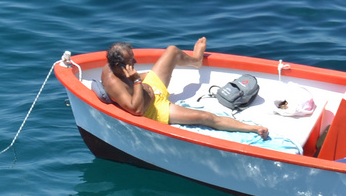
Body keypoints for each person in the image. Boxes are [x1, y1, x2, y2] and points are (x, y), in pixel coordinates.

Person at [101, 38, 270, 138]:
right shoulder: (113, 82)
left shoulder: (124, 71)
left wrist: (142, 79)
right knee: (206, 117)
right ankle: (252, 128)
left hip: (148, 87)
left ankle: (196, 61)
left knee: (172, 51)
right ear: (118, 65)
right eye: (132, 62)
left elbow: (137, 79)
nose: (135, 63)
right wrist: (137, 81)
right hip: (155, 109)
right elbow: (137, 110)